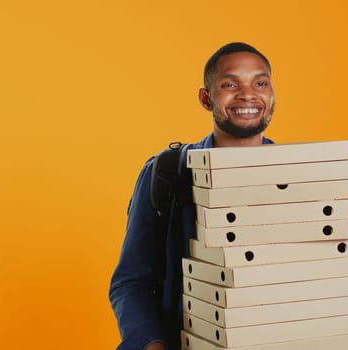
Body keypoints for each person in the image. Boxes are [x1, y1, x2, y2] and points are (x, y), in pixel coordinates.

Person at [109, 42, 276, 350]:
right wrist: (153, 344)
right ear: (205, 97)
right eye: (230, 84)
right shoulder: (168, 171)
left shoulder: (301, 174)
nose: (248, 94)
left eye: (260, 83)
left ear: (272, 95)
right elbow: (131, 281)